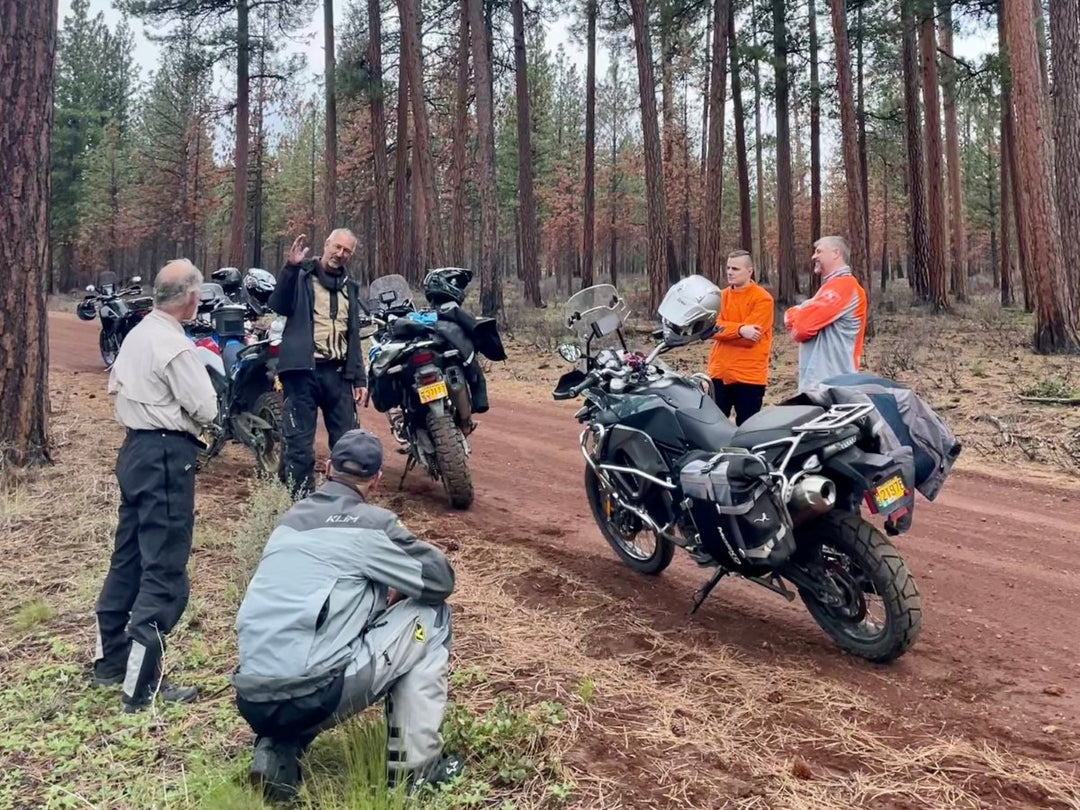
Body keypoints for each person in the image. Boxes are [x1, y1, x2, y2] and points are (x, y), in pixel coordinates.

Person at [233, 429, 461, 802]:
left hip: (252, 696)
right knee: (432, 618)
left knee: (310, 650)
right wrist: (394, 588)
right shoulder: (371, 524)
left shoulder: (289, 521)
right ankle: (416, 772)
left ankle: (278, 748)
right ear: (376, 480)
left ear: (327, 468)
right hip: (313, 693)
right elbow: (438, 580)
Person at [92, 259, 218, 712]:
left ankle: (111, 662)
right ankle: (140, 686)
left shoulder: (137, 334)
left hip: (135, 452)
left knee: (127, 558)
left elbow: (116, 388)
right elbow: (205, 407)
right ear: (189, 298)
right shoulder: (174, 346)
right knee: (164, 570)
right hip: (167, 456)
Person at [268, 229, 368, 499]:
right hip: (303, 373)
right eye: (337, 247)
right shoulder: (302, 277)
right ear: (326, 245)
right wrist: (290, 267)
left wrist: (359, 379)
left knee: (347, 444)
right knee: (299, 446)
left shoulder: (350, 287)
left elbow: (353, 335)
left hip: (338, 375)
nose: (340, 254)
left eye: (347, 251)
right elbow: (278, 304)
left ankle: (341, 501)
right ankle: (302, 503)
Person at [784, 235, 868, 391]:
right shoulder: (831, 287)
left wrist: (799, 312)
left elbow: (801, 329)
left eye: (818, 251)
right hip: (821, 382)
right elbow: (795, 319)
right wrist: (800, 312)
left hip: (834, 384)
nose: (813, 256)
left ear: (836, 253)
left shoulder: (845, 286)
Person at [705, 250, 774, 425]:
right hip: (719, 373)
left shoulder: (763, 299)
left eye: (735, 268)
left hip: (749, 377)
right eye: (728, 268)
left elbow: (750, 339)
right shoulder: (719, 297)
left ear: (749, 271)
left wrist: (728, 332)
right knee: (713, 428)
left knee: (747, 430)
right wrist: (741, 329)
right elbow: (710, 329)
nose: (729, 272)